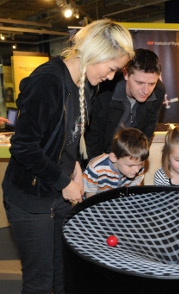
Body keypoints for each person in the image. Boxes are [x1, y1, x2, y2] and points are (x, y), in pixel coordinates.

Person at [2, 19, 134, 294]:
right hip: (30, 196)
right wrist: (64, 182)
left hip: (57, 191)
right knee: (40, 281)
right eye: (111, 69)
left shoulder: (84, 84)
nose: (111, 78)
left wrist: (73, 165)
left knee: (65, 275)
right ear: (96, 53)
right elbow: (24, 147)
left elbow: (64, 137)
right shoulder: (47, 81)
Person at [85, 48, 165, 160]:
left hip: (130, 159)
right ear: (126, 74)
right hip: (99, 154)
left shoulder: (159, 91)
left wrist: (137, 160)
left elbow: (148, 129)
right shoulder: (106, 89)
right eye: (140, 82)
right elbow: (92, 134)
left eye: (152, 84)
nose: (146, 91)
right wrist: (95, 165)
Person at [83, 128, 148, 197]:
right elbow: (90, 199)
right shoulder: (95, 169)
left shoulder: (138, 167)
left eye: (140, 164)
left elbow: (132, 194)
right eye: (130, 166)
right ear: (114, 158)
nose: (137, 170)